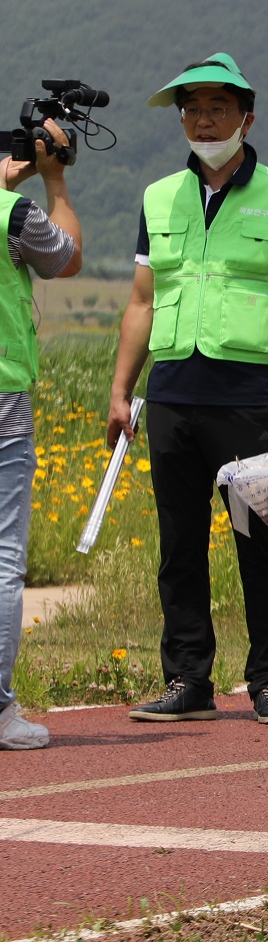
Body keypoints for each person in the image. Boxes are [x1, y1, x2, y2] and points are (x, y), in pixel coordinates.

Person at [106, 54, 268, 726]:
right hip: (172, 393)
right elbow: (142, 301)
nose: (204, 119)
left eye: (218, 108)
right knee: (178, 543)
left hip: (245, 394)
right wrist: (121, 390)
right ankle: (187, 678)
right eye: (193, 108)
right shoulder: (158, 197)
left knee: (256, 537)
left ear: (246, 117)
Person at [0, 123, 84, 751]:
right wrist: (53, 177)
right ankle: (1, 711)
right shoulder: (15, 213)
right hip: (3, 396)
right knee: (3, 558)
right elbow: (66, 258)